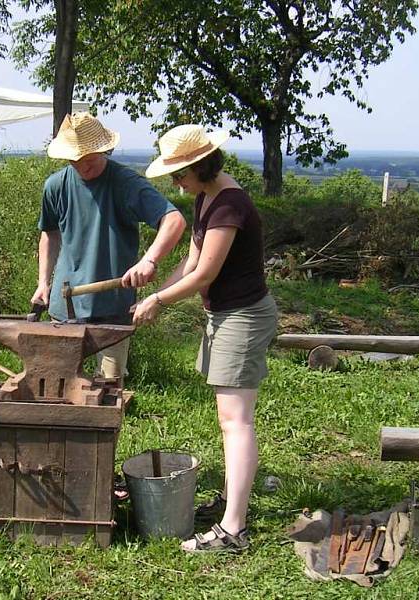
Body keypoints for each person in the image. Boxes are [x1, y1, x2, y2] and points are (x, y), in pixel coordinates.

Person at [133, 124, 278, 553]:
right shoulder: (206, 198)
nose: (176, 183)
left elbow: (205, 275)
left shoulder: (230, 205)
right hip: (225, 316)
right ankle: (234, 503)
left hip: (243, 316)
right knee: (229, 419)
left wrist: (159, 301)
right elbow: (191, 262)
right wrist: (151, 290)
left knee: (237, 421)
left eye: (180, 174)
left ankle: (233, 529)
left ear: (201, 165)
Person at [31, 112, 186, 379]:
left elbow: (173, 220)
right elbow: (50, 234)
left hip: (112, 310)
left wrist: (149, 260)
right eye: (74, 161)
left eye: (88, 160)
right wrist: (43, 282)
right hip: (63, 308)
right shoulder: (55, 186)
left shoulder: (125, 184)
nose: (82, 167)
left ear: (104, 150)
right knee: (60, 386)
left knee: (109, 389)